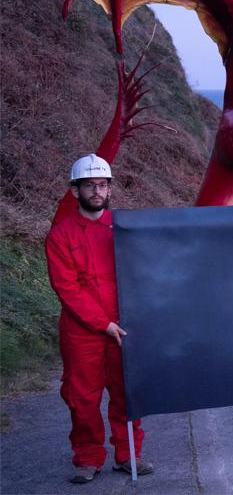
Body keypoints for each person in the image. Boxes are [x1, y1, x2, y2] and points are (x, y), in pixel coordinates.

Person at [45, 154, 152, 484]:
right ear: (75, 190)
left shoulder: (126, 229)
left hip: (126, 327)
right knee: (82, 399)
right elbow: (68, 289)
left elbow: (147, 271)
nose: (97, 191)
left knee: (127, 394)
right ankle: (88, 458)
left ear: (110, 189)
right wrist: (103, 324)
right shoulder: (60, 236)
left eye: (103, 185)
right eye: (89, 185)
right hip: (83, 332)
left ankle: (127, 455)